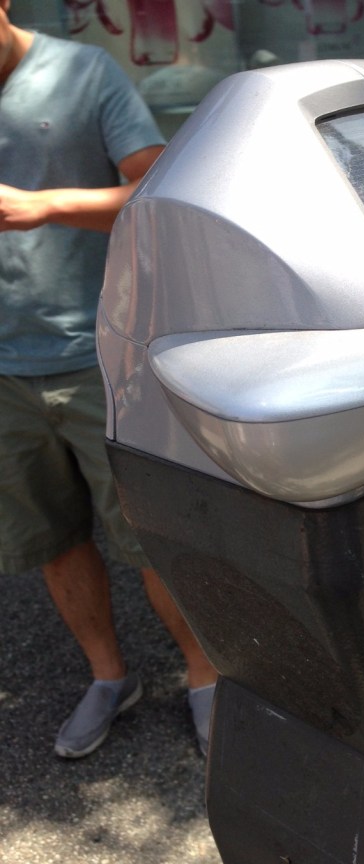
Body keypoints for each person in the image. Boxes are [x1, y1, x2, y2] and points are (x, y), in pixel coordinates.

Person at [0, 0, 217, 758]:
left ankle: (204, 676)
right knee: (53, 539)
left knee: (148, 538)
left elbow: (156, 193)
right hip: (4, 373)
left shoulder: (81, 72)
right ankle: (108, 677)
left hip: (100, 356)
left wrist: (46, 206)